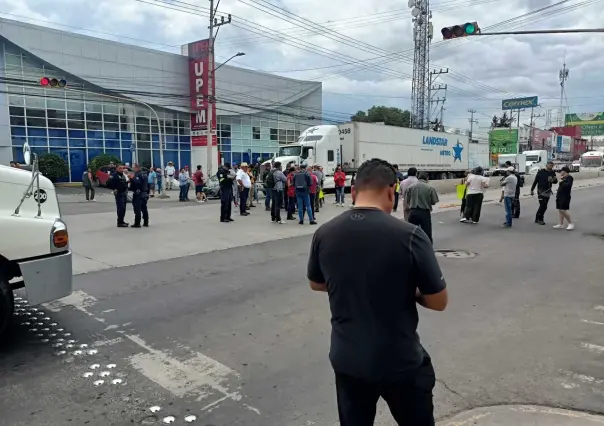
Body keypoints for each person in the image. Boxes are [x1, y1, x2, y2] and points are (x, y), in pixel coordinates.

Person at [307, 157, 448, 426]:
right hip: (399, 361)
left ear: (352, 191)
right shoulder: (410, 235)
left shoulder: (324, 233)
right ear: (390, 192)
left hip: (348, 359)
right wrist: (409, 291)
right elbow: (439, 301)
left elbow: (316, 282)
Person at [405, 172, 439, 243]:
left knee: (412, 232)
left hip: (413, 212)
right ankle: (427, 249)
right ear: (427, 178)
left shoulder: (410, 187)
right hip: (424, 212)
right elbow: (434, 201)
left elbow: (407, 201)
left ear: (418, 177)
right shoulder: (430, 188)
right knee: (427, 233)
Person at [531, 161, 558, 225]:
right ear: (546, 165)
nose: (551, 166)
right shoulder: (541, 172)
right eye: (550, 165)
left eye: (552, 165)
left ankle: (537, 218)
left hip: (548, 191)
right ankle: (540, 219)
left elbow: (555, 181)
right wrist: (532, 190)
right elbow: (535, 181)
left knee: (544, 206)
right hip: (540, 191)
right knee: (543, 205)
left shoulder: (552, 172)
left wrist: (553, 180)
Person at [129, 163, 149, 228]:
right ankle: (146, 222)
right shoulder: (145, 174)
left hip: (139, 194)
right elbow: (147, 184)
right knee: (144, 208)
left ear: (137, 168)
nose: (133, 169)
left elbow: (137, 183)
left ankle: (137, 223)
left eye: (133, 167)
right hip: (144, 193)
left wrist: (131, 179)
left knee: (137, 209)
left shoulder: (138, 174)